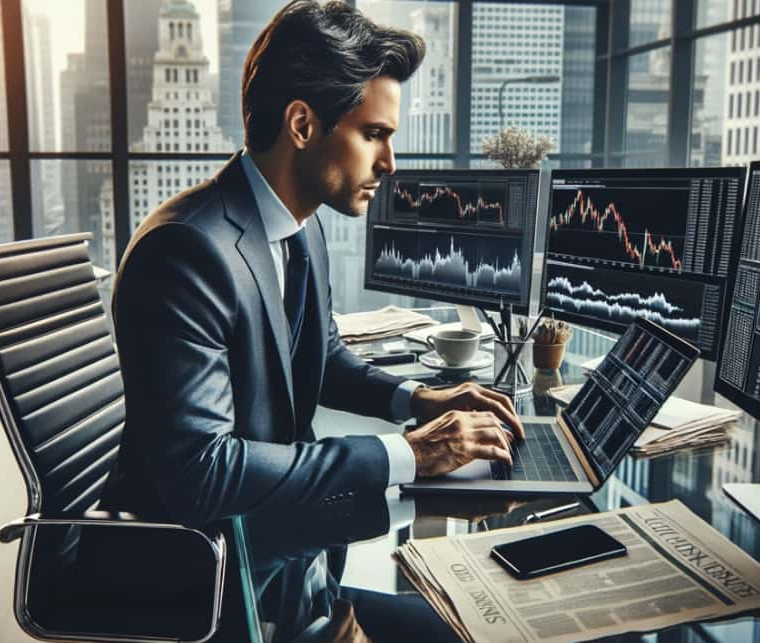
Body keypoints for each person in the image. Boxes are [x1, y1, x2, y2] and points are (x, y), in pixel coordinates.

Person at [101, 1, 524, 639]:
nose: (390, 164)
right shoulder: (184, 250)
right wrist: (409, 454)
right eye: (374, 134)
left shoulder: (301, 226)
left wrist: (419, 398)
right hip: (206, 579)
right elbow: (201, 471)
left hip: (283, 555)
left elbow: (321, 358)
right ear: (302, 124)